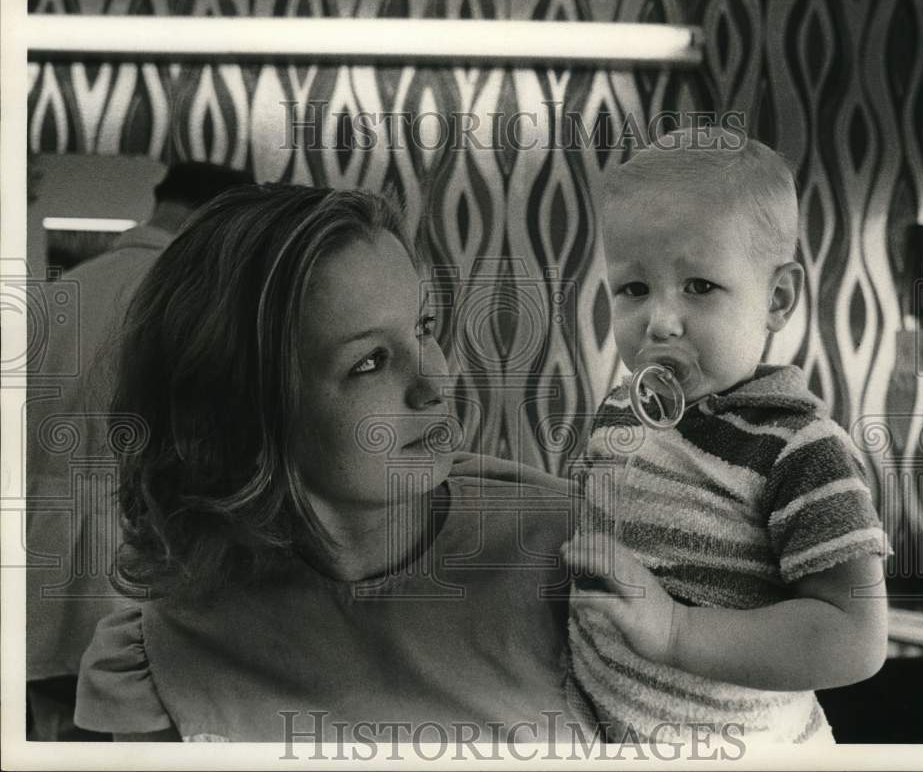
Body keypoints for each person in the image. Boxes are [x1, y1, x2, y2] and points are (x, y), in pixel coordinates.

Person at [72, 185, 589, 743]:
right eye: (370, 361)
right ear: (248, 409)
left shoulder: (577, 553)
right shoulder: (164, 648)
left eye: (424, 327)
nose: (434, 383)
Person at [561, 130, 892, 745]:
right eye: (633, 289)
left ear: (778, 297)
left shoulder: (799, 449)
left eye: (700, 286)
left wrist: (677, 632)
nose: (659, 321)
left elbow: (855, 637)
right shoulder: (619, 413)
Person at [25, 162, 254, 740]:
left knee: (47, 723)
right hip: (128, 562)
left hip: (35, 555)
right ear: (213, 217)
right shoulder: (185, 296)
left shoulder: (65, 289)